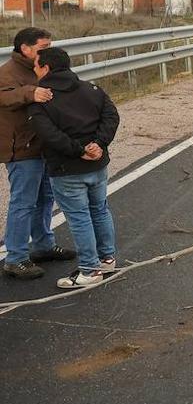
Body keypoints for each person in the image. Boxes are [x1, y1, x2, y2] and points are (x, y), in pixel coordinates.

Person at [27, 47, 120, 289]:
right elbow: (111, 117)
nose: (34, 70)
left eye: (36, 65)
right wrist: (98, 145)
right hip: (97, 165)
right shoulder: (93, 90)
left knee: (80, 218)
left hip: (67, 169)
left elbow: (49, 135)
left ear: (46, 68)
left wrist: (79, 151)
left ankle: (90, 270)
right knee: (100, 210)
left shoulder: (42, 100)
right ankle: (107, 259)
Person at [1, 27, 75, 279]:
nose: (48, 51)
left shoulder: (43, 66)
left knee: (45, 198)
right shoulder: (8, 72)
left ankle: (42, 245)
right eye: (43, 47)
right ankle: (16, 257)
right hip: (22, 148)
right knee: (23, 202)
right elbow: (5, 97)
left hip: (43, 145)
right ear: (25, 48)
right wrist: (31, 92)